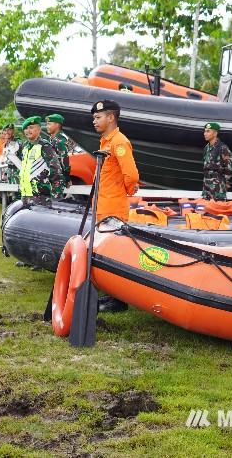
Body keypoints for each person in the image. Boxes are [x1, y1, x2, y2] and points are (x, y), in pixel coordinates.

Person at [91, 99, 140, 313]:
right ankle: (111, 295)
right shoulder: (105, 142)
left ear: (110, 117)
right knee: (104, 252)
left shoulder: (119, 142)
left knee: (114, 253)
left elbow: (131, 174)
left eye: (98, 117)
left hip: (113, 207)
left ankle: (117, 300)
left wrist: (127, 191)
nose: (94, 121)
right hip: (103, 205)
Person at [18, 116, 64, 207]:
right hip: (25, 195)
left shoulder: (44, 146)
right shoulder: (25, 147)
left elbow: (56, 170)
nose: (28, 130)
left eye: (31, 127)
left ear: (39, 130)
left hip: (40, 196)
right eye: (26, 128)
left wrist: (56, 195)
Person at [201, 122, 232, 201]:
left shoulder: (222, 148)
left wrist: (223, 183)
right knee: (206, 209)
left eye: (208, 131)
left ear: (215, 133)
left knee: (218, 209)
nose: (205, 134)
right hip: (206, 185)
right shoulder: (206, 148)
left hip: (218, 186)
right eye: (205, 131)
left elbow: (229, 167)